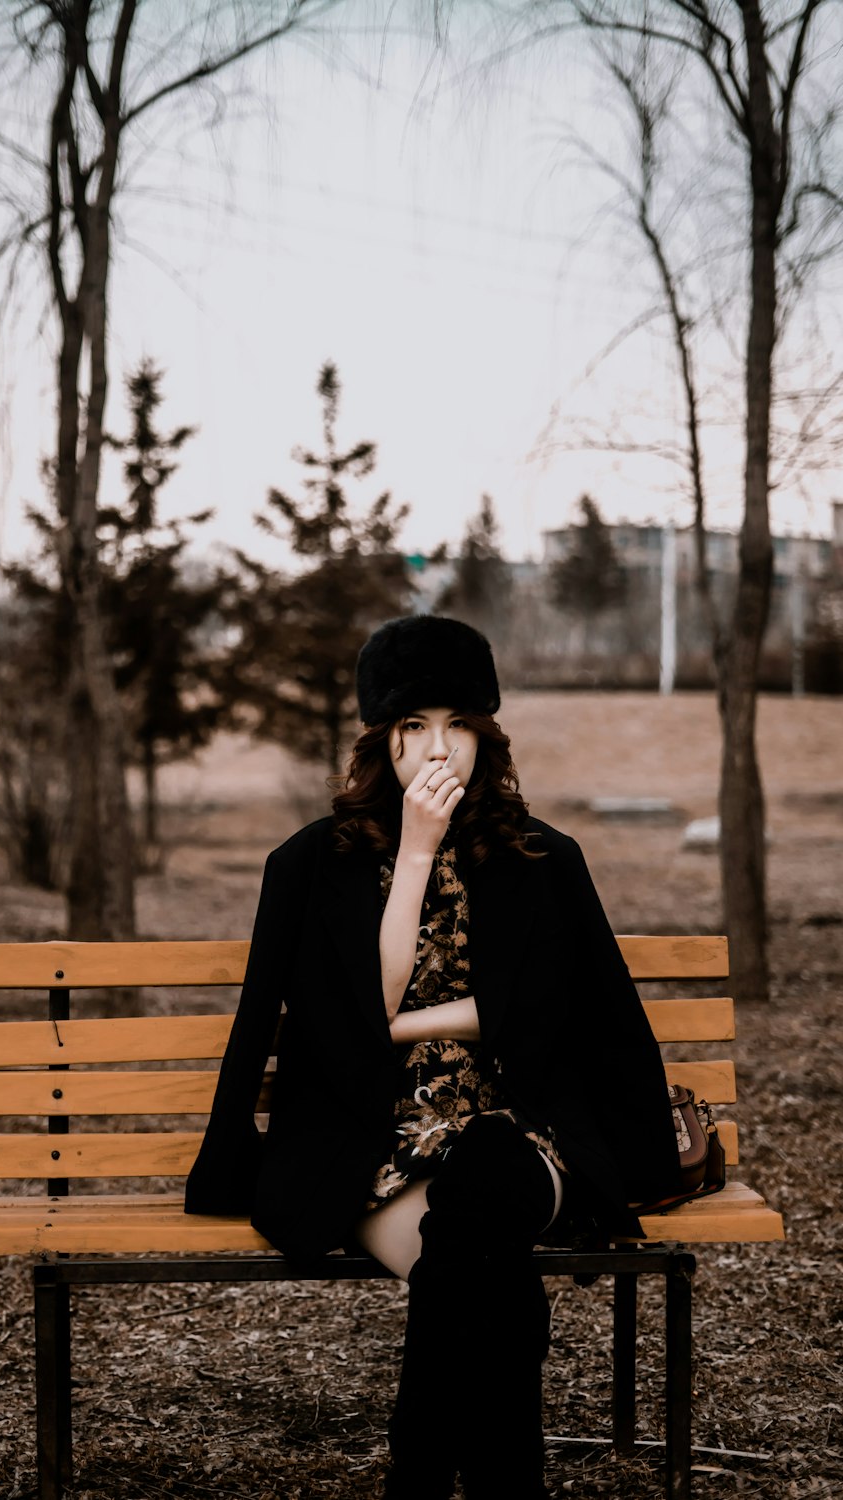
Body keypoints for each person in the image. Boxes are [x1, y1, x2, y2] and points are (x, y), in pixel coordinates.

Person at [185, 614, 680, 1500]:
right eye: (414, 726)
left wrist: (408, 1026)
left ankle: (415, 1479)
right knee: (488, 1276)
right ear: (382, 739)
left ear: (487, 736)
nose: (438, 750)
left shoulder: (540, 857)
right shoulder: (312, 863)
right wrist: (413, 855)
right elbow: (345, 1025)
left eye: (458, 724)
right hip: (370, 1134)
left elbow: (546, 1013)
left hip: (523, 1126)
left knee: (485, 1173)